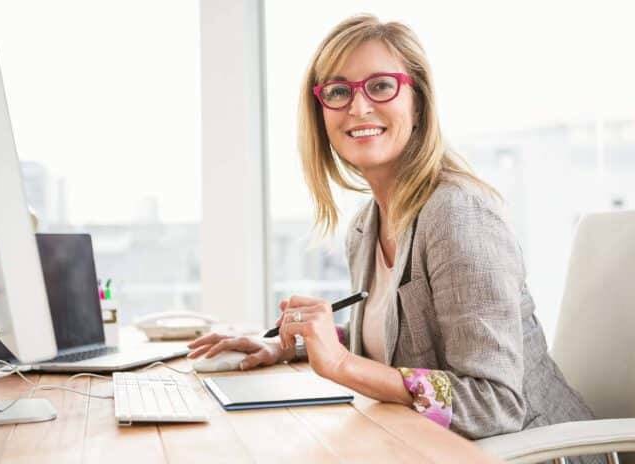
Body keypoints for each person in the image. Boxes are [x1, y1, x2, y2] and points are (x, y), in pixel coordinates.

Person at [189, 15, 601, 460]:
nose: (358, 107)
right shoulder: (366, 226)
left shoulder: (458, 214)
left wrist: (342, 365)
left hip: (538, 454)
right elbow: (397, 341)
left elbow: (494, 403)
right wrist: (293, 344)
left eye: (381, 86)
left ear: (418, 103)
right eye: (338, 91)